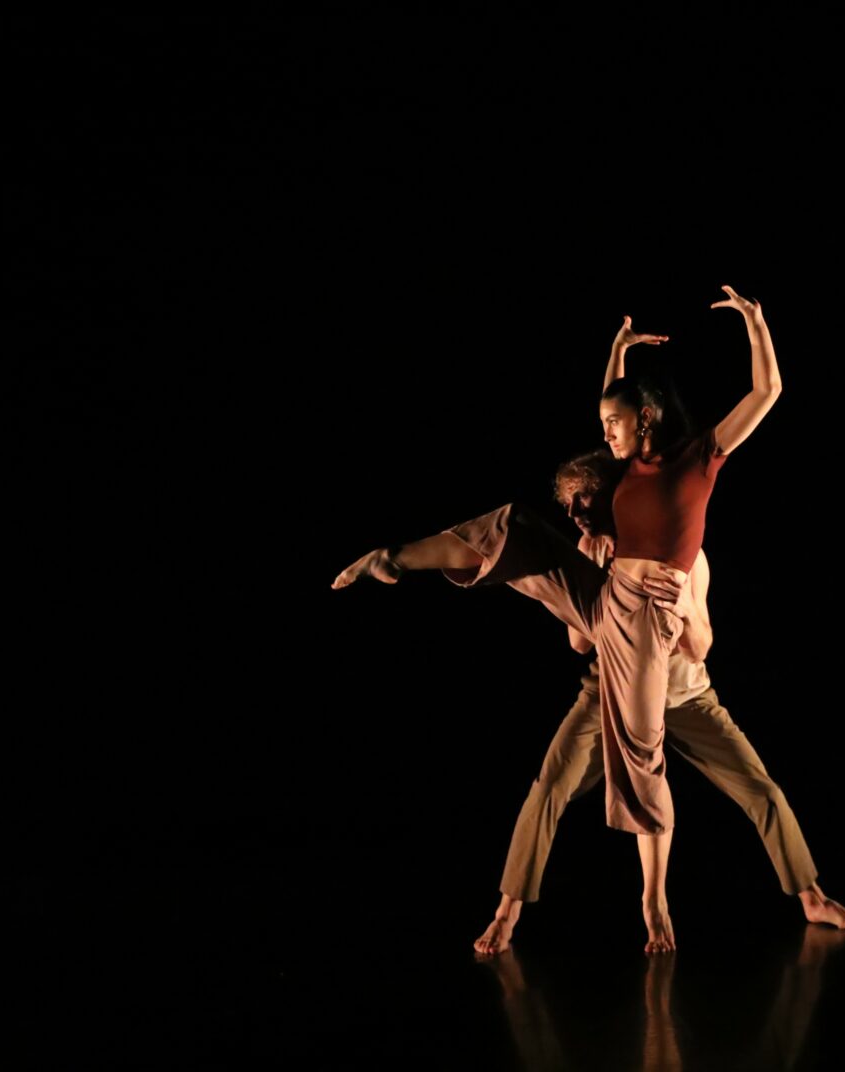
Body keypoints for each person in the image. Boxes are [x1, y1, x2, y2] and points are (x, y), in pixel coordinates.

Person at [334, 285, 781, 953]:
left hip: (644, 624)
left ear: (647, 418)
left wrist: (754, 322)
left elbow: (767, 391)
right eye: (603, 424)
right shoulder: (621, 468)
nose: (605, 434)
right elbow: (611, 404)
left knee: (641, 756)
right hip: (602, 595)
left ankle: (653, 901)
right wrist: (617, 352)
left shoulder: (697, 461)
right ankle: (393, 558)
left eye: (614, 423)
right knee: (513, 527)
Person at [471, 448, 845, 957]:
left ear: (615, 497)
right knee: (548, 788)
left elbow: (701, 647)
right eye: (569, 504)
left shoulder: (686, 550)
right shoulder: (589, 548)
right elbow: (578, 644)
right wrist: (597, 582)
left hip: (685, 695)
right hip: (610, 691)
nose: (575, 513)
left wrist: (682, 606)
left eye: (584, 500)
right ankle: (506, 914)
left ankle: (812, 898)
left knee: (763, 791)